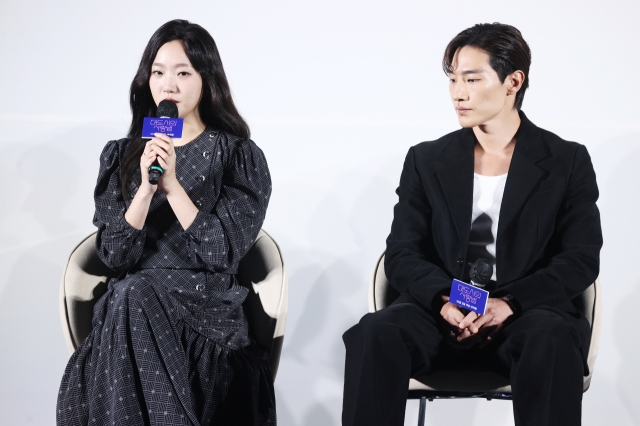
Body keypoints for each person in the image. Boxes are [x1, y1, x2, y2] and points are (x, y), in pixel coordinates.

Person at [342, 23, 602, 426]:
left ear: (513, 81)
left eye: (471, 78)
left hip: (526, 314)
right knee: (374, 332)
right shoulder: (427, 160)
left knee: (551, 337)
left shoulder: (565, 161)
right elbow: (402, 253)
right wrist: (445, 301)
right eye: (452, 79)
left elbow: (580, 259)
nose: (457, 92)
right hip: (442, 310)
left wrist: (507, 304)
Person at [57, 20, 276, 426]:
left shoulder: (237, 156)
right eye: (158, 72)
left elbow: (219, 252)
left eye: (182, 72)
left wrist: (173, 188)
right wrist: (144, 189)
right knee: (132, 291)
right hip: (132, 310)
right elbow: (114, 256)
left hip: (204, 316)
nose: (168, 85)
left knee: (131, 295)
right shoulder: (122, 155)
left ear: (206, 80)